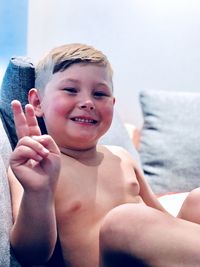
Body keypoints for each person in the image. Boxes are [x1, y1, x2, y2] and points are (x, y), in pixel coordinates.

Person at [8, 43, 200, 267]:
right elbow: (32, 254)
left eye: (100, 94)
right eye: (70, 90)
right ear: (38, 102)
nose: (88, 103)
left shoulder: (122, 157)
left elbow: (164, 222)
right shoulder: (36, 167)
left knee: (197, 199)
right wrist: (38, 192)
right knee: (125, 221)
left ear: (113, 104)